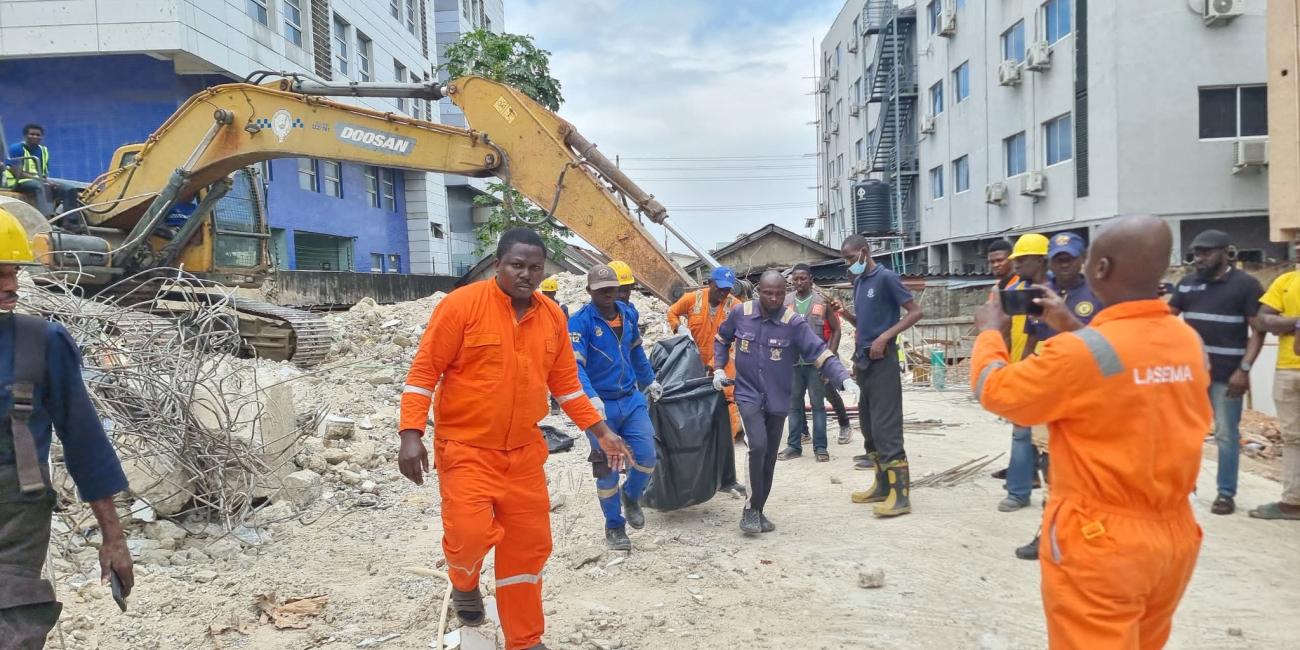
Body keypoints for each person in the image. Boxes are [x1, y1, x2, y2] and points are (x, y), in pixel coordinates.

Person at [970, 215, 1209, 649]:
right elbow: (1122, 372)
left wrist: (990, 334)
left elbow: (995, 390)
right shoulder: (1184, 340)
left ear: (1098, 269)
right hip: (1173, 536)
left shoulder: (1078, 353)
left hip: (1102, 540)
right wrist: (1071, 325)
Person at [398, 228, 629, 650]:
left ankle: (524, 639)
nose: (526, 274)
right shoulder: (460, 306)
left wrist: (601, 430)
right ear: (498, 264)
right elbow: (424, 372)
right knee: (468, 536)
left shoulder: (552, 316)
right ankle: (464, 581)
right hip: (466, 450)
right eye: (517, 265)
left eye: (535, 267)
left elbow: (566, 385)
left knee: (528, 550)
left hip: (524, 455)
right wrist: (410, 433)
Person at [0, 207, 134, 648]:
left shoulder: (41, 342)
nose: (10, 285)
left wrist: (113, 538)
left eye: (14, 271)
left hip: (13, 526)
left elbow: (85, 443)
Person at [714, 270, 851, 533]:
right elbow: (722, 339)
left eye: (778, 293)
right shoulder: (741, 313)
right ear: (759, 292)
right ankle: (749, 511)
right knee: (758, 446)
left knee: (769, 458)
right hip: (747, 393)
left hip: (778, 398)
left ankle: (759, 510)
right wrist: (719, 368)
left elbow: (819, 351)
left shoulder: (793, 322)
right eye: (768, 293)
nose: (774, 298)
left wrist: (843, 378)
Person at [1167, 229, 1264, 516]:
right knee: (1184, 434)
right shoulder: (1185, 285)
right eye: (1196, 253)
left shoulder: (1246, 285)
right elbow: (1164, 320)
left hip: (1228, 375)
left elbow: (1257, 331)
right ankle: (1183, 490)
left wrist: (1244, 370)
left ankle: (1225, 494)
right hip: (1191, 375)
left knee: (1226, 435)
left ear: (1226, 253)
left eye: (1206, 252)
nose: (1199, 258)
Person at [569, 264, 663, 550]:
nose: (609, 294)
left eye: (613, 289)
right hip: (600, 406)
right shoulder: (580, 323)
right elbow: (576, 366)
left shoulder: (628, 315)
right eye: (602, 290)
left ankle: (631, 496)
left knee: (647, 456)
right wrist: (590, 400)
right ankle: (614, 526)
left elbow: (635, 351)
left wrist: (649, 381)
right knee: (608, 468)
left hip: (631, 399)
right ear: (590, 291)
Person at [830, 235, 923, 517]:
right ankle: (882, 486)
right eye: (844, 259)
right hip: (864, 362)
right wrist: (845, 314)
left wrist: (885, 337)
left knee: (886, 428)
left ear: (864, 252)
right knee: (869, 428)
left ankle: (901, 496)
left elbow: (915, 312)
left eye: (849, 257)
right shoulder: (859, 282)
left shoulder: (886, 278)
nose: (847, 263)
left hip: (884, 363)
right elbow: (864, 324)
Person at [997, 233, 1050, 515]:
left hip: (1056, 374)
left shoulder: (1056, 293)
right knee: (1021, 433)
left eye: (1021, 260)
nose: (1015, 265)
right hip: (1030, 369)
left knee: (1051, 443)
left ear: (1040, 260)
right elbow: (1029, 335)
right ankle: (1019, 491)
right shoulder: (1025, 292)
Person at [1249, 238, 1300, 521]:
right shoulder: (1286, 281)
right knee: (1293, 438)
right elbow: (1263, 321)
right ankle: (1293, 502)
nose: (1299, 246)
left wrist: (1285, 323)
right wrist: (1297, 322)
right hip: (1287, 370)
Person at [778, 263, 844, 462]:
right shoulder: (785, 302)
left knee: (818, 406)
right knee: (793, 406)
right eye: (795, 279)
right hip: (792, 364)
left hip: (816, 364)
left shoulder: (822, 302)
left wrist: (829, 360)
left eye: (803, 278)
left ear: (810, 279)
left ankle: (821, 448)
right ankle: (793, 446)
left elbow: (836, 330)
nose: (799, 282)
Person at [667, 267, 743, 436]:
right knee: (694, 395)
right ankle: (698, 435)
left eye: (727, 289)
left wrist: (716, 366)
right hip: (695, 359)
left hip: (723, 360)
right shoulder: (693, 298)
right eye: (720, 288)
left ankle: (726, 438)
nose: (724, 292)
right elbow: (672, 312)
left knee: (727, 396)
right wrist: (678, 327)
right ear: (710, 283)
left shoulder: (736, 306)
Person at [985, 238, 1025, 483]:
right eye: (993, 261)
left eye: (1001, 260)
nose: (997, 265)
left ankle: (1024, 472)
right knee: (1018, 421)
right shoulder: (997, 289)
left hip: (1026, 359)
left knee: (1027, 423)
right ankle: (1020, 467)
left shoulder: (1022, 288)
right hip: (1007, 360)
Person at [2, 124, 82, 221]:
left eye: (38, 135)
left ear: (42, 137)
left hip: (39, 180)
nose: (35, 137)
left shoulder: (44, 150)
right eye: (32, 134)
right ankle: (47, 219)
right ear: (25, 136)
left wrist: (48, 181)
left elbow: (44, 173)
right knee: (42, 187)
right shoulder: (16, 148)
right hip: (18, 182)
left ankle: (70, 223)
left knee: (69, 189)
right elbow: (15, 171)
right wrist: (43, 181)